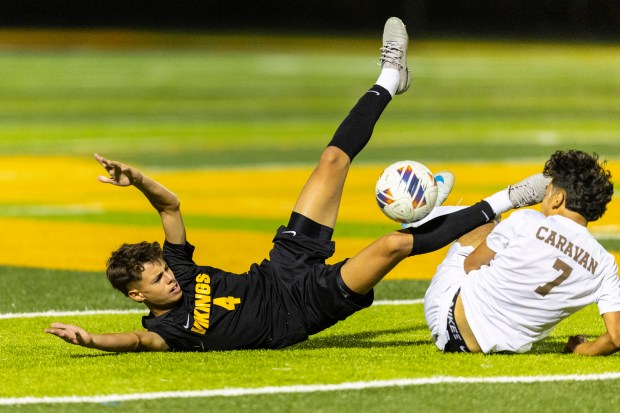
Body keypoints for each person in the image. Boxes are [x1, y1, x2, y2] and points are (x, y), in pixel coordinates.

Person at [45, 17, 547, 353]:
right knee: (393, 243)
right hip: (303, 309)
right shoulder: (165, 330)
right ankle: (510, 197)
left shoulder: (177, 265)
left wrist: (136, 181)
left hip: (281, 265)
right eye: (156, 282)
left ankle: (390, 77)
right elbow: (135, 343)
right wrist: (90, 339)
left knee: (331, 161)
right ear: (137, 297)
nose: (169, 280)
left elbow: (170, 205)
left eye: (163, 272)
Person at [424, 149, 620, 356]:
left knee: (485, 222)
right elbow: (616, 337)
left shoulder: (526, 220)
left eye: (547, 192)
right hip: (496, 349)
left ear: (558, 198)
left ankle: (427, 216)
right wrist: (581, 348)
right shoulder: (605, 265)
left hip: (445, 317)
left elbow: (470, 265)